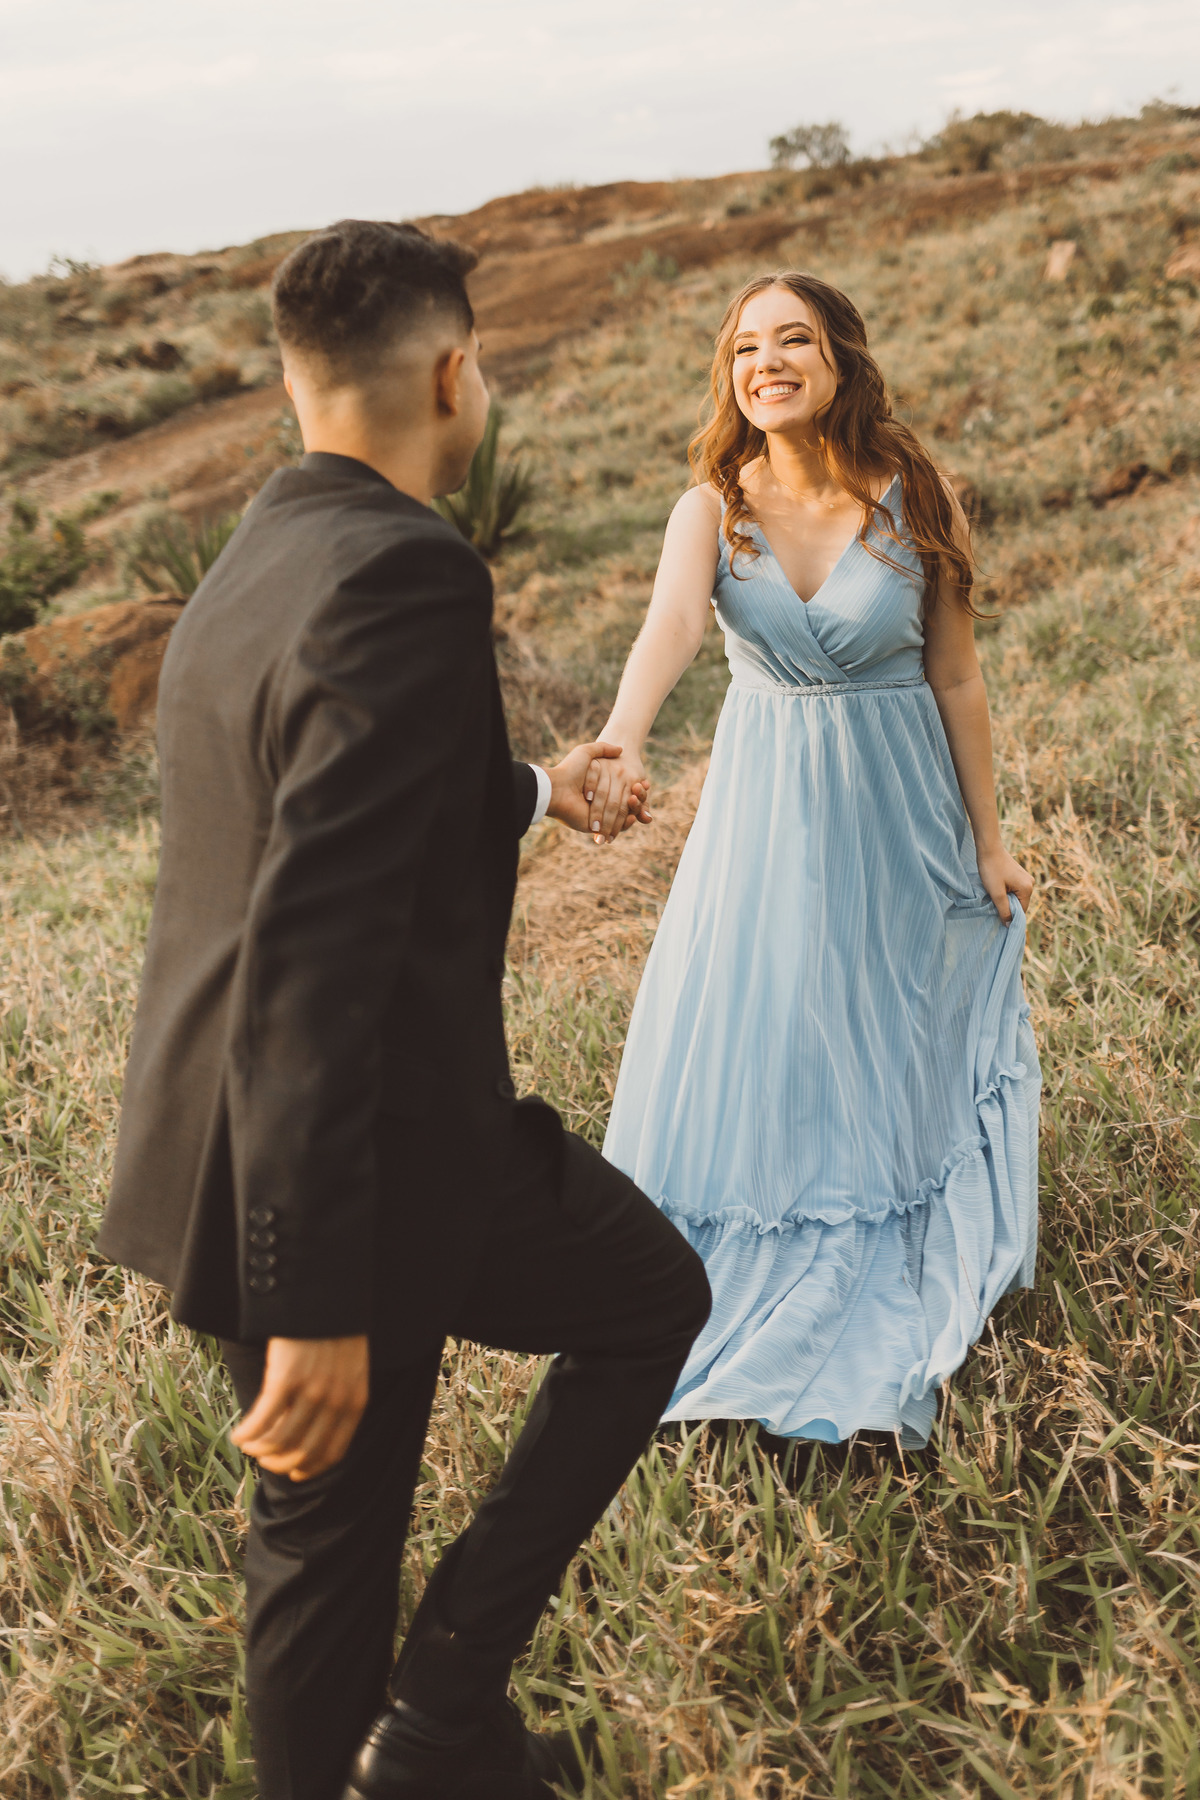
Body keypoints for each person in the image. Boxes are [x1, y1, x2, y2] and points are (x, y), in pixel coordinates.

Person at [96, 219, 710, 1800]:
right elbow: (314, 943)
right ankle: (426, 1727)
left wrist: (532, 789)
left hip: (255, 1148)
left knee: (630, 1307)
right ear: (454, 373)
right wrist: (317, 1293)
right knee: (325, 1568)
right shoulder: (415, 567)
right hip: (354, 1172)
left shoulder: (259, 553)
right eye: (485, 359)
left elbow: (327, 811)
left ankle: (443, 1720)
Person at [587, 270, 1039, 1450]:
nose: (767, 362)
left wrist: (989, 838)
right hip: (768, 805)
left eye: (793, 340)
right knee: (772, 1014)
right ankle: (739, 1268)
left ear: (840, 358)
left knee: (885, 1014)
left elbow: (955, 675)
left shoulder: (912, 492)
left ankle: (891, 1223)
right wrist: (623, 736)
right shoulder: (711, 508)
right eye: (747, 347)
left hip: (899, 802)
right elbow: (674, 628)